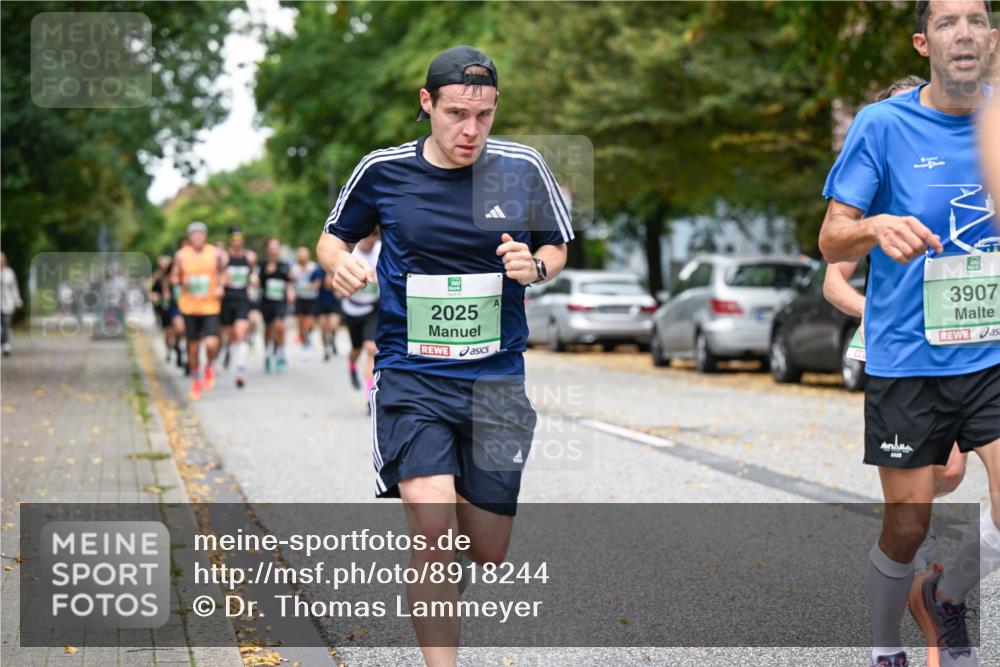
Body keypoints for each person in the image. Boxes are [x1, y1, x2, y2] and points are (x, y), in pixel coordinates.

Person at [316, 45, 572, 667]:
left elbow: (557, 247)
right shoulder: (383, 171)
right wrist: (340, 265)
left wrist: (533, 266)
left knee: (485, 550)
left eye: (484, 115)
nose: (471, 130)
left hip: (495, 381)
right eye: (457, 113)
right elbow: (332, 237)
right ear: (426, 103)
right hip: (412, 376)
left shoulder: (522, 167)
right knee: (432, 535)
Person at [818, 3, 999, 666]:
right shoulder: (882, 125)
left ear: (992, 38)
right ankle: (884, 644)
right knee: (909, 521)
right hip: (910, 359)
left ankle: (947, 594)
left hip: (992, 351)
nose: (965, 33)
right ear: (924, 42)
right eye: (949, 21)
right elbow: (831, 236)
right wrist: (874, 227)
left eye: (977, 19)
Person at [822, 75, 969, 573]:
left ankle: (917, 523)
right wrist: (874, 311)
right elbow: (832, 282)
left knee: (949, 470)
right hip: (899, 347)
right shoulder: (874, 199)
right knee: (926, 477)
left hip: (959, 346)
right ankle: (913, 539)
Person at [172, 221, 225, 401]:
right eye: (194, 234)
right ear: (189, 238)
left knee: (211, 343)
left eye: (201, 234)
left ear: (206, 236)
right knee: (193, 348)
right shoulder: (181, 255)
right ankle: (195, 380)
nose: (198, 237)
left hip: (210, 305)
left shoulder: (215, 253)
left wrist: (220, 286)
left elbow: (223, 273)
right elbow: (174, 276)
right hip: (189, 306)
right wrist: (180, 281)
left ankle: (209, 365)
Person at [339, 230, 381, 405]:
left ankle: (370, 397)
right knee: (356, 350)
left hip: (372, 307)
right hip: (352, 308)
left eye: (375, 236)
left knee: (371, 348)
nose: (372, 240)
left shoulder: (380, 249)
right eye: (368, 235)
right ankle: (352, 365)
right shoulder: (351, 253)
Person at [219, 226, 258, 388]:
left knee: (241, 333)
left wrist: (253, 281)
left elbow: (252, 274)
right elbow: (217, 274)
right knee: (229, 335)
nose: (237, 241)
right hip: (227, 299)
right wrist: (222, 280)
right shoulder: (224, 257)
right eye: (234, 239)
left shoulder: (250, 257)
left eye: (240, 238)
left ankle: (240, 369)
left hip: (242, 298)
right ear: (230, 240)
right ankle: (228, 351)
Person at [258, 237, 293, 373]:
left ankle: (279, 353)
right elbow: (257, 282)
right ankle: (267, 353)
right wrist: (266, 272)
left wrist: (290, 290)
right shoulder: (262, 264)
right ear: (267, 249)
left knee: (279, 326)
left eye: (276, 247)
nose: (274, 250)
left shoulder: (284, 265)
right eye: (271, 247)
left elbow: (289, 281)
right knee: (268, 327)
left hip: (280, 300)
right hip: (266, 301)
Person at [149, 255, 179, 364]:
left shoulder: (175, 277)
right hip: (163, 307)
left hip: (176, 305)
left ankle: (177, 347)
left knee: (178, 329)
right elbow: (151, 292)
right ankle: (169, 350)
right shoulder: (156, 277)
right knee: (168, 331)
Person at [291, 246, 320, 356]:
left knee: (309, 323)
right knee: (301, 324)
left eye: (304, 255)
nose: (303, 258)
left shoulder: (313, 267)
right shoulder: (295, 268)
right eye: (301, 256)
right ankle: (305, 345)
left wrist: (315, 285)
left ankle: (308, 338)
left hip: (312, 298)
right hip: (300, 298)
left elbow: (318, 279)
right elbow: (291, 282)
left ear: (308, 256)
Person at [312, 259, 342, 361]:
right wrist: (316, 285)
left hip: (334, 302)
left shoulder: (337, 269)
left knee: (333, 325)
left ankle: (332, 339)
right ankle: (326, 348)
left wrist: (335, 288)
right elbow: (312, 285)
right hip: (321, 302)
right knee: (324, 327)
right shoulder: (318, 271)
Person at [0, 252, 23, 356]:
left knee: (6, 325)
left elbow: (14, 287)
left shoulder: (9, 272)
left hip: (7, 304)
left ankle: (6, 345)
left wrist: (17, 300)